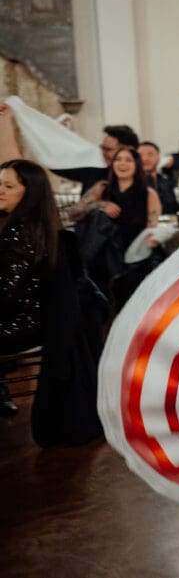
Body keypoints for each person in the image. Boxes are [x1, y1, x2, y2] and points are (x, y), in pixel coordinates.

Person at [0, 159, 61, 415]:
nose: (0, 190)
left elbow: (5, 292)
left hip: (20, 323)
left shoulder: (21, 232)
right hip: (22, 316)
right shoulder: (27, 224)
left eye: (8, 186)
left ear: (29, 193)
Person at [69, 146, 160, 296]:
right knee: (100, 217)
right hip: (101, 252)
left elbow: (151, 227)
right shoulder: (102, 187)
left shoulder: (148, 194)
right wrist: (100, 204)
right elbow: (73, 213)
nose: (122, 164)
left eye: (128, 160)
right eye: (118, 159)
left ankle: (85, 270)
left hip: (131, 250)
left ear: (136, 165)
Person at [138, 141, 178, 214]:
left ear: (158, 157)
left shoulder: (166, 181)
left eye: (150, 154)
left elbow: (173, 208)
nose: (145, 158)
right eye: (140, 155)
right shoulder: (132, 182)